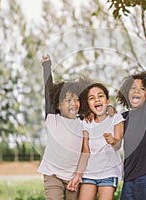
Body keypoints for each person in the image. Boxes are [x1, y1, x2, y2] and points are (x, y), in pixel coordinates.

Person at [116, 34, 146, 200]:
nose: (136, 90)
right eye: (133, 88)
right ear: (126, 93)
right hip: (128, 177)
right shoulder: (123, 117)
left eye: (142, 89)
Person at [37, 54, 87, 200]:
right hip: (53, 175)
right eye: (68, 100)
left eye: (76, 99)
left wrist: (109, 110)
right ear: (58, 105)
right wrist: (47, 66)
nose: (73, 103)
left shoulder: (83, 122)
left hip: (74, 177)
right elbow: (48, 92)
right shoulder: (53, 119)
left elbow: (97, 110)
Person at [72, 82, 124, 200]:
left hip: (109, 172)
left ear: (107, 100)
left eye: (100, 96)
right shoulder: (86, 122)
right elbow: (86, 150)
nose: (96, 100)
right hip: (89, 172)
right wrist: (78, 174)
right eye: (92, 98)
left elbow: (118, 144)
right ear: (88, 103)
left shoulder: (116, 117)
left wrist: (113, 140)